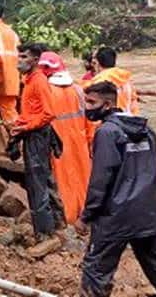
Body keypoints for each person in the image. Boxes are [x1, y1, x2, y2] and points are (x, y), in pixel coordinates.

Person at [75, 80, 156, 297]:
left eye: (92, 102)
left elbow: (101, 179)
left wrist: (87, 216)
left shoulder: (107, 133)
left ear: (108, 105)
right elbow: (154, 173)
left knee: (97, 271)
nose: (87, 107)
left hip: (115, 217)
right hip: (148, 214)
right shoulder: (147, 131)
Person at [13, 43, 60, 237]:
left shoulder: (39, 81)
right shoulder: (29, 80)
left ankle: (44, 232)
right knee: (42, 180)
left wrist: (27, 126)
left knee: (37, 182)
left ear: (34, 60)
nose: (19, 60)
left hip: (38, 136)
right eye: (19, 56)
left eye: (24, 57)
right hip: (34, 132)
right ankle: (55, 223)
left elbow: (49, 113)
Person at [45, 52, 97, 224]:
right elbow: (90, 119)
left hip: (57, 144)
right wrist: (91, 143)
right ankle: (87, 215)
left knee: (63, 181)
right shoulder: (78, 89)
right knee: (84, 178)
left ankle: (68, 217)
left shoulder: (47, 91)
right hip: (80, 142)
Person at [91, 46, 140, 115]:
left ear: (98, 63)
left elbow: (95, 107)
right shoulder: (125, 78)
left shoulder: (99, 81)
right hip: (129, 119)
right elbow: (133, 102)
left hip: (111, 121)